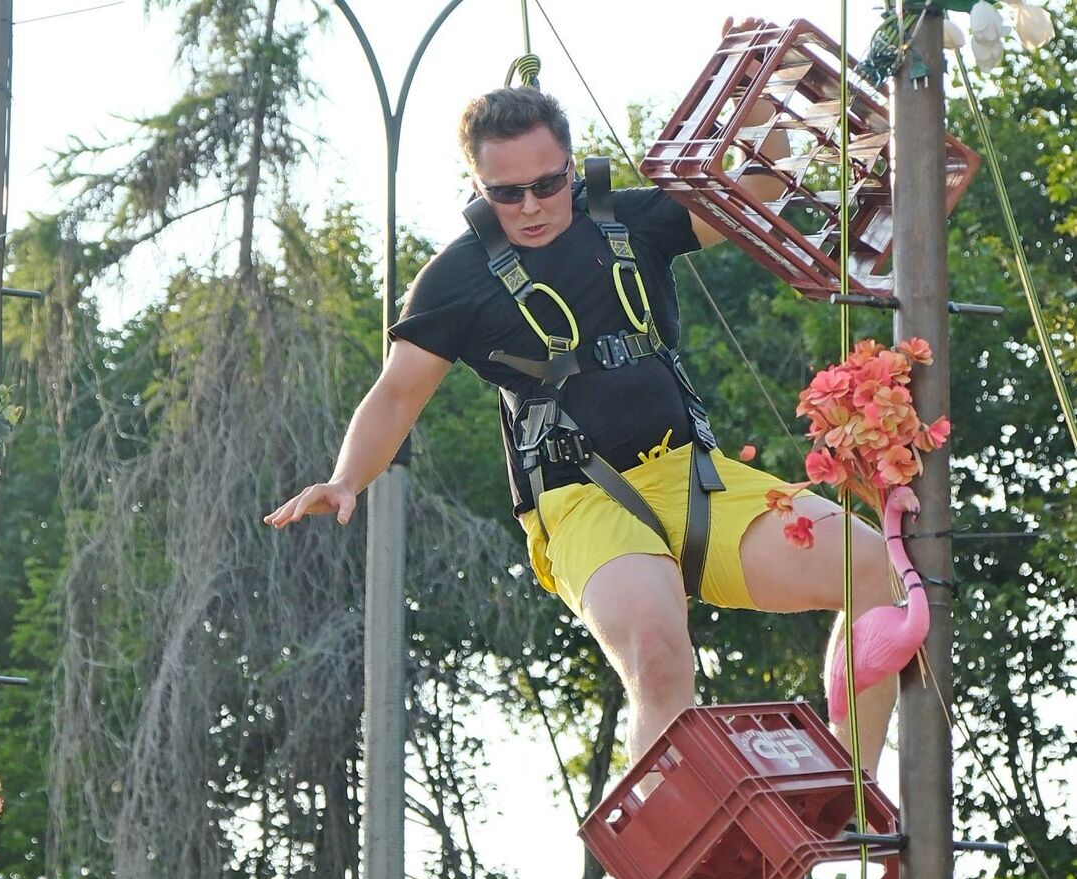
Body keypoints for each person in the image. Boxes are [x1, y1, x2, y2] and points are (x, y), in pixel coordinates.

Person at [264, 24, 897, 774]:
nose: (531, 205)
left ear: (572, 165)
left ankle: (849, 791)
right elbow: (398, 392)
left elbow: (752, 189)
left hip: (694, 479)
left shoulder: (628, 222)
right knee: (660, 659)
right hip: (580, 500)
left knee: (884, 574)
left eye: (548, 183)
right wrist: (346, 478)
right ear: (476, 186)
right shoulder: (458, 279)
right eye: (506, 193)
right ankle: (672, 878)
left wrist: (800, 107)